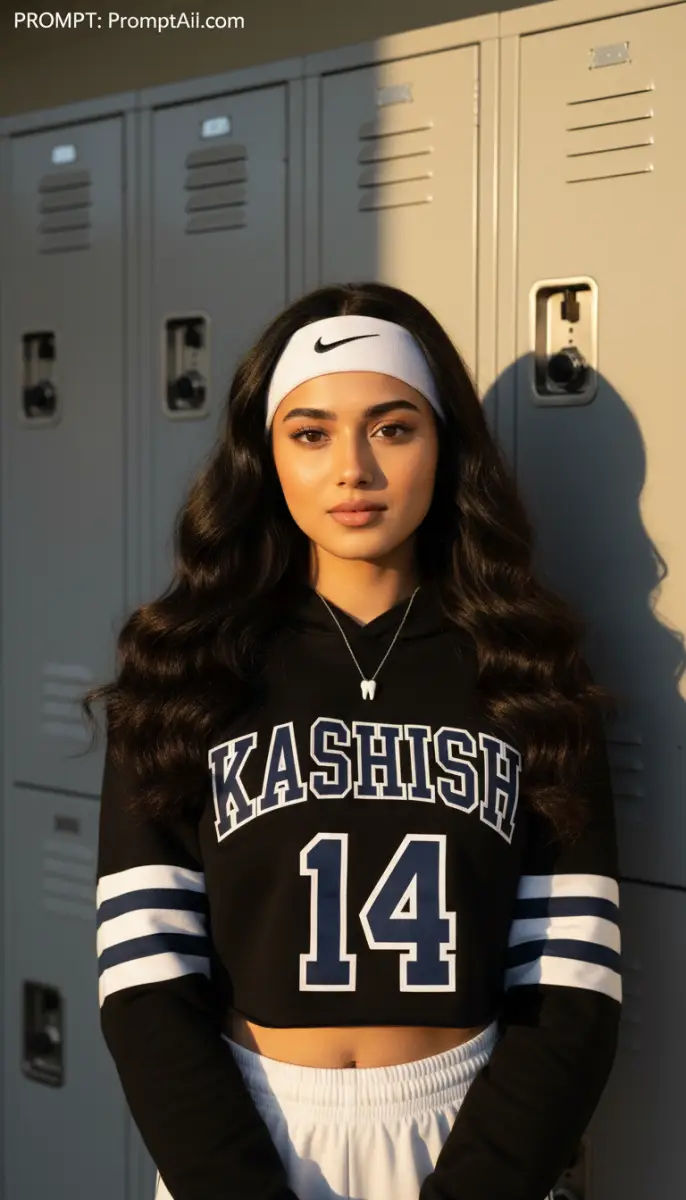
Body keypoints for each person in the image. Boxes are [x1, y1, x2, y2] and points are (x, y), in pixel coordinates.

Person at [85, 281, 623, 1200]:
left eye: (392, 427)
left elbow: (572, 985)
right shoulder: (184, 670)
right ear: (267, 456)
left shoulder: (527, 670)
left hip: (469, 1135)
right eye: (311, 432)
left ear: (444, 447)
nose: (353, 471)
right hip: (248, 1134)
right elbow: (146, 978)